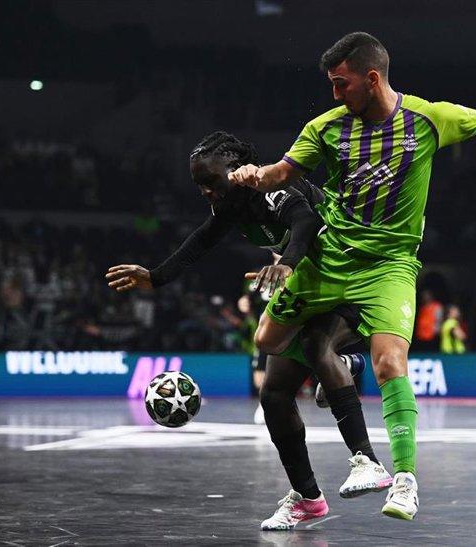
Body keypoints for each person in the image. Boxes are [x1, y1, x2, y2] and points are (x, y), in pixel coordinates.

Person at [229, 31, 476, 520]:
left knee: (391, 363)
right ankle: (344, 363)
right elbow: (283, 172)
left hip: (390, 267)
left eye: (342, 84)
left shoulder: (429, 118)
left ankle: (403, 480)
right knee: (268, 338)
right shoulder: (326, 127)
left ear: (372, 78)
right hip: (330, 257)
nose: (335, 94)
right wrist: (254, 174)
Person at [105, 131, 390, 531]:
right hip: (310, 284)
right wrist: (155, 277)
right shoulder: (231, 207)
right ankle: (308, 498)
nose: (205, 191)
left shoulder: (272, 184)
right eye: (198, 185)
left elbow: (304, 221)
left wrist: (288, 262)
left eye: (210, 181)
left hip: (353, 275)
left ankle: (368, 462)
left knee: (314, 345)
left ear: (237, 170)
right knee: (274, 394)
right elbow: (201, 241)